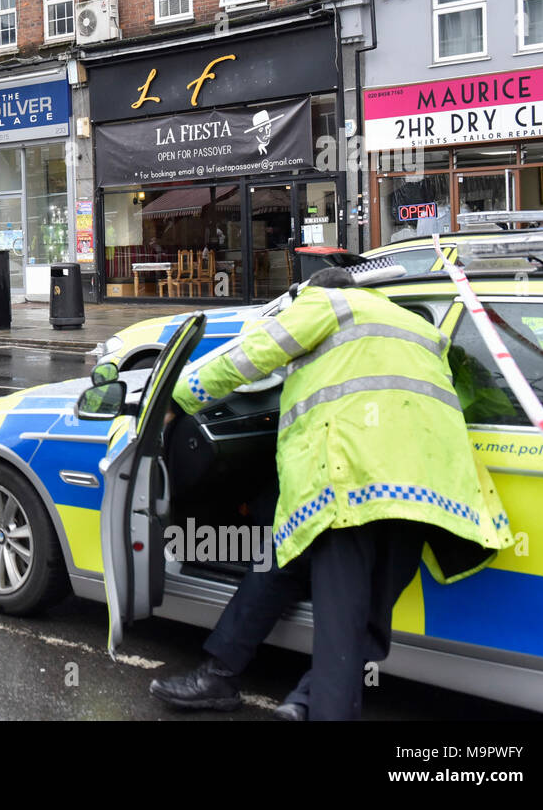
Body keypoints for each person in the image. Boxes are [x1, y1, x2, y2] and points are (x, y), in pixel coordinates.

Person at [152, 268, 512, 720]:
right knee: (321, 585)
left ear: (315, 294)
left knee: (340, 623)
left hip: (353, 482)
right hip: (428, 488)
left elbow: (248, 357)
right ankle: (236, 680)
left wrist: (174, 400)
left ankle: (312, 705)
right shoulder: (420, 327)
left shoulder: (324, 305)